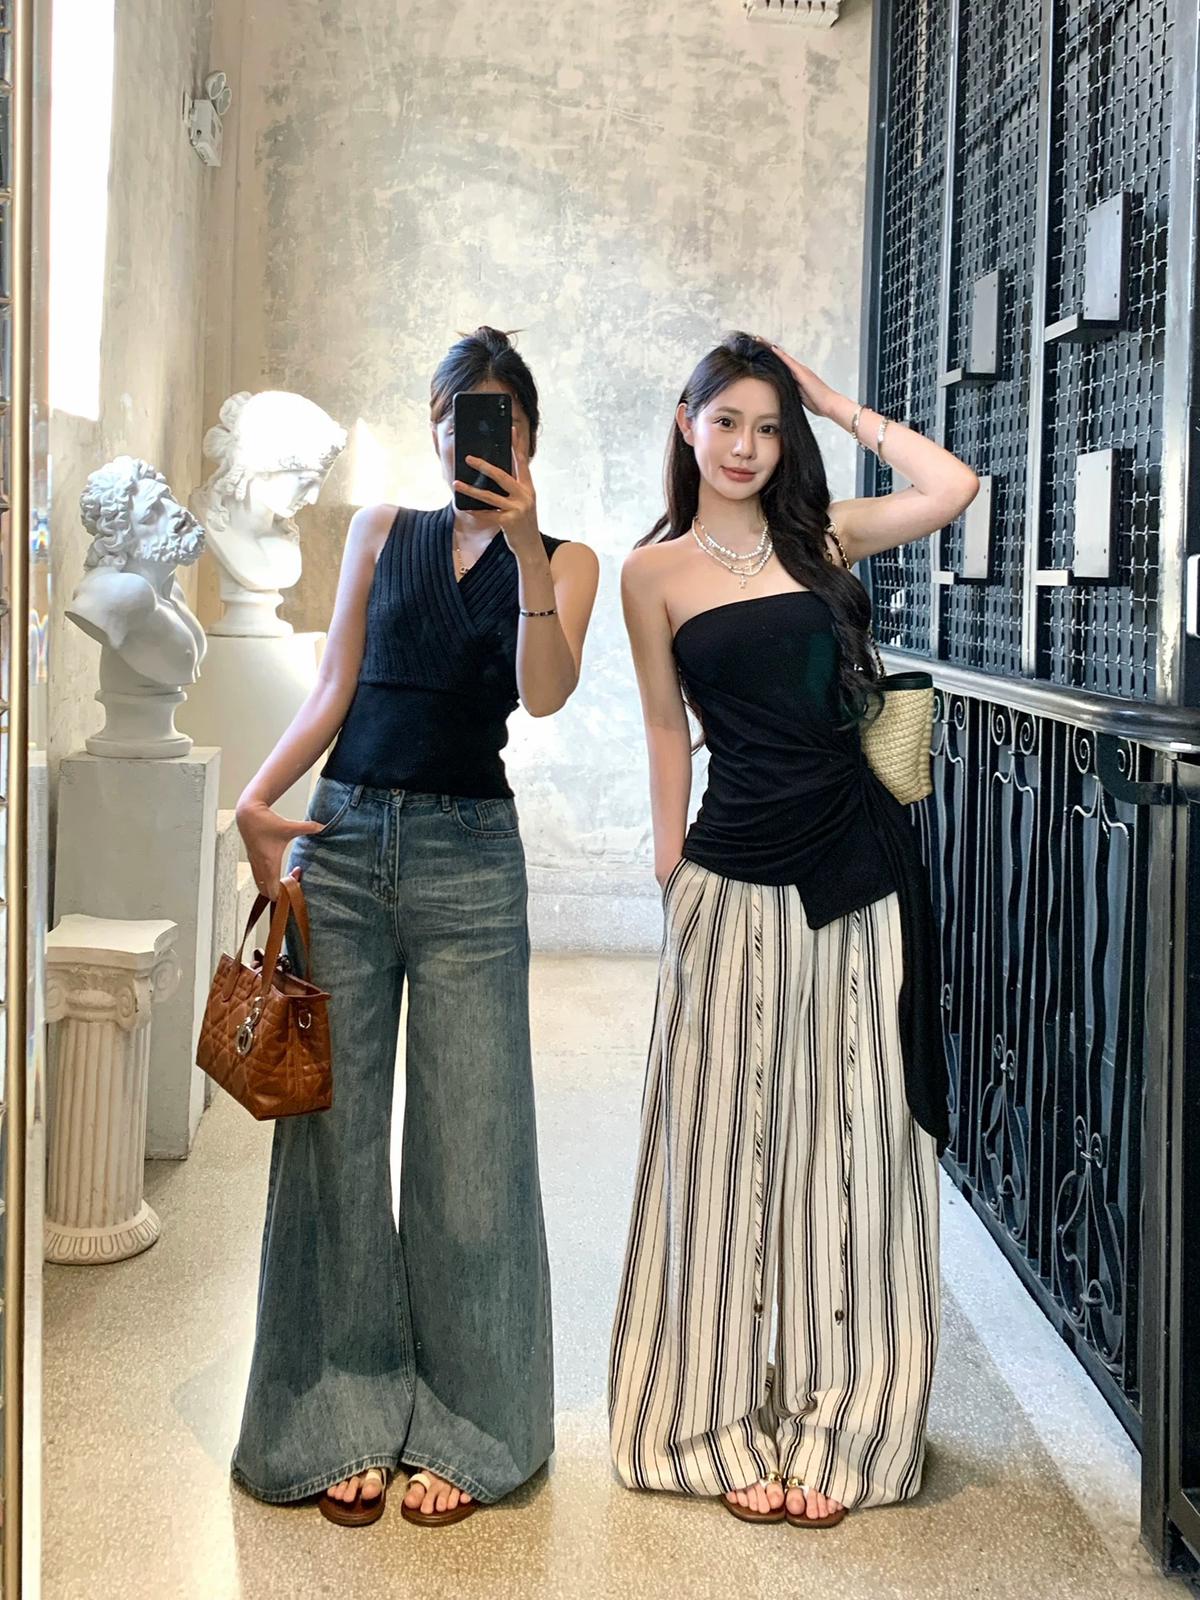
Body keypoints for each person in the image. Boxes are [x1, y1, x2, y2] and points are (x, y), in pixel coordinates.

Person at [231, 327, 599, 1528]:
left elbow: (544, 691)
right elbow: (335, 685)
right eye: (452, 418)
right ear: (434, 429)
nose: (467, 439)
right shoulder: (380, 532)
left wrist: (528, 546)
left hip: (469, 863)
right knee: (333, 1143)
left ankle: (472, 1423)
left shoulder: (567, 561)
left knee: (473, 1151)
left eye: (493, 419)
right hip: (342, 844)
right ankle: (337, 1412)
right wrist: (258, 797)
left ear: (528, 436)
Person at [608, 332, 978, 1528]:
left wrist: (833, 400)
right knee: (718, 1153)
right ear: (687, 423)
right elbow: (664, 725)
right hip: (728, 876)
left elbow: (952, 486)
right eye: (728, 422)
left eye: (770, 428)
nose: (748, 447)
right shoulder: (652, 573)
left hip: (856, 870)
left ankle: (844, 1426)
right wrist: (669, 864)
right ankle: (709, 1422)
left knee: (851, 1151)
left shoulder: (822, 536)